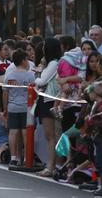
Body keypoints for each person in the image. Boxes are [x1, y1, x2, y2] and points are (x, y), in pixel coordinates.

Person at [33, 37, 62, 177]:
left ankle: (51, 166)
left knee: (52, 135)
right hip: (47, 99)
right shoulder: (50, 63)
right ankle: (53, 165)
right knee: (51, 135)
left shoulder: (53, 63)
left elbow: (41, 80)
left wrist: (37, 75)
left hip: (49, 100)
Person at [3, 49, 34, 166]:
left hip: (12, 106)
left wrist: (5, 107)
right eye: (27, 59)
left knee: (13, 132)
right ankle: (26, 157)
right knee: (25, 133)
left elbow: (5, 92)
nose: (28, 62)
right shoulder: (30, 75)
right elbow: (34, 92)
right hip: (26, 107)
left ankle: (14, 157)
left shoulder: (9, 75)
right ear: (23, 61)